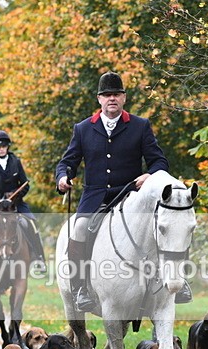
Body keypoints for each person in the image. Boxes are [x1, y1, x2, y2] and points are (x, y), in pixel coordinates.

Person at [55, 71, 191, 312]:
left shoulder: (140, 126)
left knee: (172, 223)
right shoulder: (83, 128)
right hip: (95, 196)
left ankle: (180, 281)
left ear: (124, 98)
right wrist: (63, 177)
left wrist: (150, 175)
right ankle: (81, 288)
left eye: (116, 94)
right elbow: (68, 161)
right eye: (107, 95)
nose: (112, 99)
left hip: (131, 194)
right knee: (78, 228)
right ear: (99, 99)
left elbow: (159, 162)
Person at [0, 130, 47, 272]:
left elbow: (25, 184)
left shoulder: (16, 162)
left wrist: (15, 197)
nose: (1, 149)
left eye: (4, 146)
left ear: (7, 147)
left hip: (16, 204)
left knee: (31, 224)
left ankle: (39, 257)